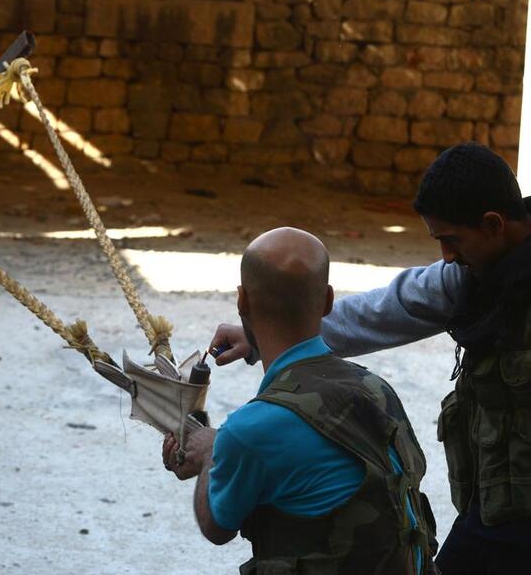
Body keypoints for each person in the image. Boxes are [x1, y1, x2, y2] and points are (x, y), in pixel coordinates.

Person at [210, 143, 531, 574]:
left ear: (493, 225)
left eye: (452, 240)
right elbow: (388, 309)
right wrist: (262, 331)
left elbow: (217, 523)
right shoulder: (472, 275)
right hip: (501, 506)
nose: (446, 257)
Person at [164, 227, 437, 575]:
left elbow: (216, 526)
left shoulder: (250, 429)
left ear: (241, 301)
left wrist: (208, 456)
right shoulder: (376, 388)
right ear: (327, 301)